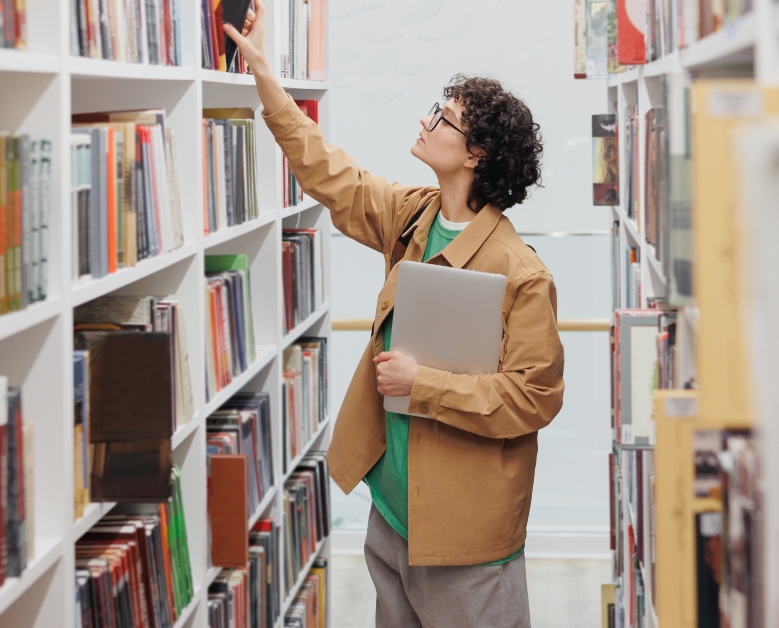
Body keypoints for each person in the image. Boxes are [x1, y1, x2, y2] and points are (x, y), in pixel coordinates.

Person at [226, 4, 565, 626]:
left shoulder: (521, 272)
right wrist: (264, 76)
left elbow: (534, 399)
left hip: (464, 538)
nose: (426, 119)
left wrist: (423, 386)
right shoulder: (414, 215)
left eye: (444, 117)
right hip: (393, 512)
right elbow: (333, 176)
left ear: (476, 154)